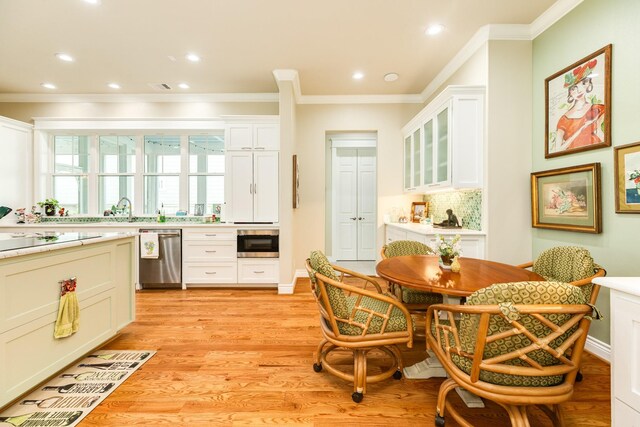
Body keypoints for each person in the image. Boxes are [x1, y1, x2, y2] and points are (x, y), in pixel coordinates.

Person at [552, 59, 605, 153]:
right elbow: (558, 149)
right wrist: (582, 128)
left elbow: (601, 135)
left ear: (588, 84)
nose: (579, 90)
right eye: (574, 88)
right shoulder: (564, 120)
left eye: (583, 84)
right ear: (569, 92)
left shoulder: (598, 108)